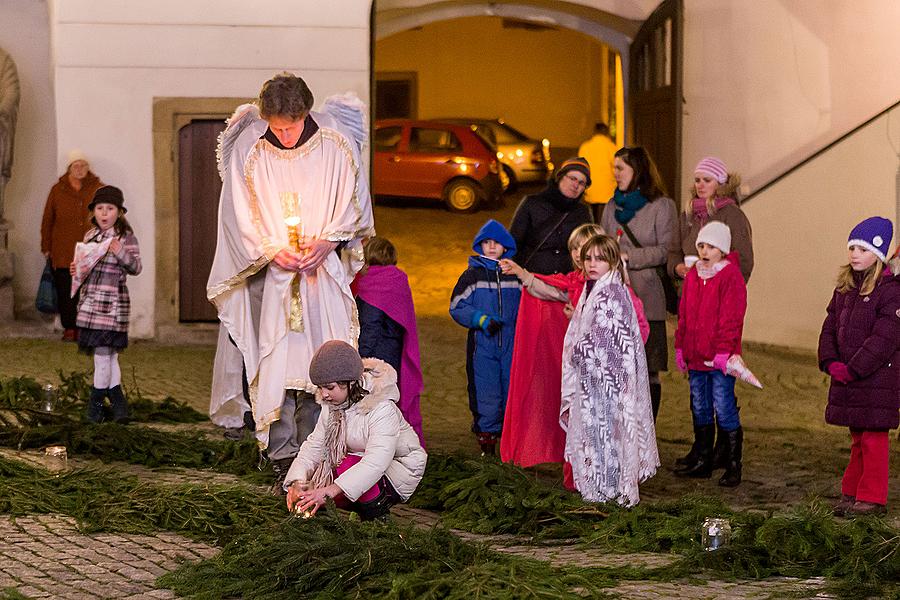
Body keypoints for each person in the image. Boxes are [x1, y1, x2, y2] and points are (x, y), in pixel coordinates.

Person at [207, 73, 375, 492]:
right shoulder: (252, 145)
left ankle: (317, 450)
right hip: (273, 274)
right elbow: (237, 211)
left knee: (321, 359)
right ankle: (280, 452)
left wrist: (328, 241)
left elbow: (355, 202)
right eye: (275, 128)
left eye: (289, 127)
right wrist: (269, 247)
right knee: (276, 359)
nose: (281, 136)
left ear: (305, 115)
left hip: (321, 273)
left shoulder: (336, 144)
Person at [500, 223, 649, 487]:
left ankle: (609, 484)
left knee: (607, 432)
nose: (583, 257)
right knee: (584, 429)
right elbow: (547, 289)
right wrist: (522, 273)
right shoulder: (578, 283)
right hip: (585, 373)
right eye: (578, 251)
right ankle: (583, 481)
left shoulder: (614, 290)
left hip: (608, 377)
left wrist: (581, 324)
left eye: (591, 253)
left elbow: (629, 331)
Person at [668, 156, 754, 469]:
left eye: (707, 179)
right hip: (692, 297)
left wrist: (722, 285)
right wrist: (678, 269)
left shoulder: (732, 214)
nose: (701, 185)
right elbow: (675, 249)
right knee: (699, 395)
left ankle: (724, 452)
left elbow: (743, 261)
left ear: (720, 182)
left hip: (718, 306)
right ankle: (703, 450)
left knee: (720, 394)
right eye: (698, 180)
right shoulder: (690, 213)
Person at [561, 234, 659, 505]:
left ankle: (609, 490)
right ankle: (599, 489)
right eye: (588, 258)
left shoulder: (612, 292)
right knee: (597, 437)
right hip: (594, 382)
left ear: (613, 261)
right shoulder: (593, 289)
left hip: (607, 383)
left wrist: (580, 351)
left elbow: (610, 338)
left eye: (600, 259)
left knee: (607, 436)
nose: (592, 264)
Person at [284, 341, 427, 521]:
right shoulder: (333, 404)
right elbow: (315, 446)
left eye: (330, 387)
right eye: (320, 387)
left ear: (350, 383)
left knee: (346, 466)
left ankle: (377, 518)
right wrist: (298, 482)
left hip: (397, 468)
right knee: (315, 482)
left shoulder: (381, 408)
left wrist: (329, 491)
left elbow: (376, 462)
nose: (324, 394)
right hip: (355, 464)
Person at [818, 217, 899, 516]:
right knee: (857, 439)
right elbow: (829, 326)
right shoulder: (845, 289)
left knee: (874, 440)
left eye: (862, 249)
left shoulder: (889, 292)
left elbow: (885, 338)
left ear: (877, 255)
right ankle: (851, 492)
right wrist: (831, 361)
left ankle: (872, 496)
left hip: (877, 381)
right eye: (852, 247)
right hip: (849, 380)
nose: (854, 254)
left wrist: (854, 368)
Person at [601, 146, 677, 421]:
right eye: (615, 167)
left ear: (638, 170)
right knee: (616, 366)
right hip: (615, 297)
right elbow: (603, 243)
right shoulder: (612, 206)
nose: (615, 173)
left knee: (648, 368)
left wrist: (628, 256)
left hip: (647, 297)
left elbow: (667, 250)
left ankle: (647, 432)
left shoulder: (661, 206)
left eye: (620, 167)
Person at [673, 221, 747, 486]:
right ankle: (703, 458)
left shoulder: (730, 276)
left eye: (711, 246)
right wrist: (681, 346)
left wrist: (724, 351)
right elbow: (685, 314)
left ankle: (733, 462)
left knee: (724, 406)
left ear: (723, 249)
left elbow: (731, 318)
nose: (705, 251)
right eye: (701, 245)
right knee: (700, 406)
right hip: (696, 357)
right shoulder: (694, 274)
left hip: (719, 359)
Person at [449, 219, 521, 455]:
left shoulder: (515, 275)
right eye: (487, 242)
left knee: (510, 390)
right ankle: (487, 444)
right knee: (485, 390)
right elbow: (457, 305)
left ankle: (510, 442)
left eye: (496, 243)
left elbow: (528, 306)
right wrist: (480, 319)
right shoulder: (472, 276)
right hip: (483, 346)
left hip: (512, 343)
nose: (491, 247)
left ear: (505, 247)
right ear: (480, 245)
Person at [71, 186, 141, 423]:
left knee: (104, 356)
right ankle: (120, 408)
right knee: (109, 357)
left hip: (112, 307)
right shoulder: (91, 236)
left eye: (109, 209)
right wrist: (76, 268)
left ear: (119, 212)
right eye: (100, 208)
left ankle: (96, 407)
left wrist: (120, 251)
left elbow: (136, 267)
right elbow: (85, 267)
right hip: (91, 305)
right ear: (93, 212)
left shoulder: (125, 237)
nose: (104, 213)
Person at [353, 236, 425, 445]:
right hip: (396, 349)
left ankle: (377, 446)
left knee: (375, 403)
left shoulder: (370, 282)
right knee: (393, 398)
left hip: (376, 355)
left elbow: (370, 324)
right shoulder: (400, 279)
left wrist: (361, 357)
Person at [40, 150, 103, 341]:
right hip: (63, 249)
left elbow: (108, 216)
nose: (80, 169)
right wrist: (46, 246)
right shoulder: (57, 190)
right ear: (69, 168)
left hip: (90, 249)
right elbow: (47, 220)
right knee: (66, 290)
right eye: (76, 165)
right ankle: (70, 327)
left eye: (83, 165)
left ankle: (87, 326)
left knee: (90, 290)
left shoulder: (98, 188)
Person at [509, 157, 593, 276]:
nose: (576, 185)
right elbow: (514, 242)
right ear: (560, 177)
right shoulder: (532, 204)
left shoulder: (582, 212)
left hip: (566, 284)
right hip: (532, 280)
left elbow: (588, 249)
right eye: (572, 179)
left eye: (581, 183)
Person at [577, 123, 617, 223]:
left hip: (590, 190)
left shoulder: (585, 147)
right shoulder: (612, 147)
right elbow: (617, 167)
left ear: (594, 132)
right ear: (606, 132)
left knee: (592, 218)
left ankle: (594, 234)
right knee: (604, 220)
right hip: (607, 191)